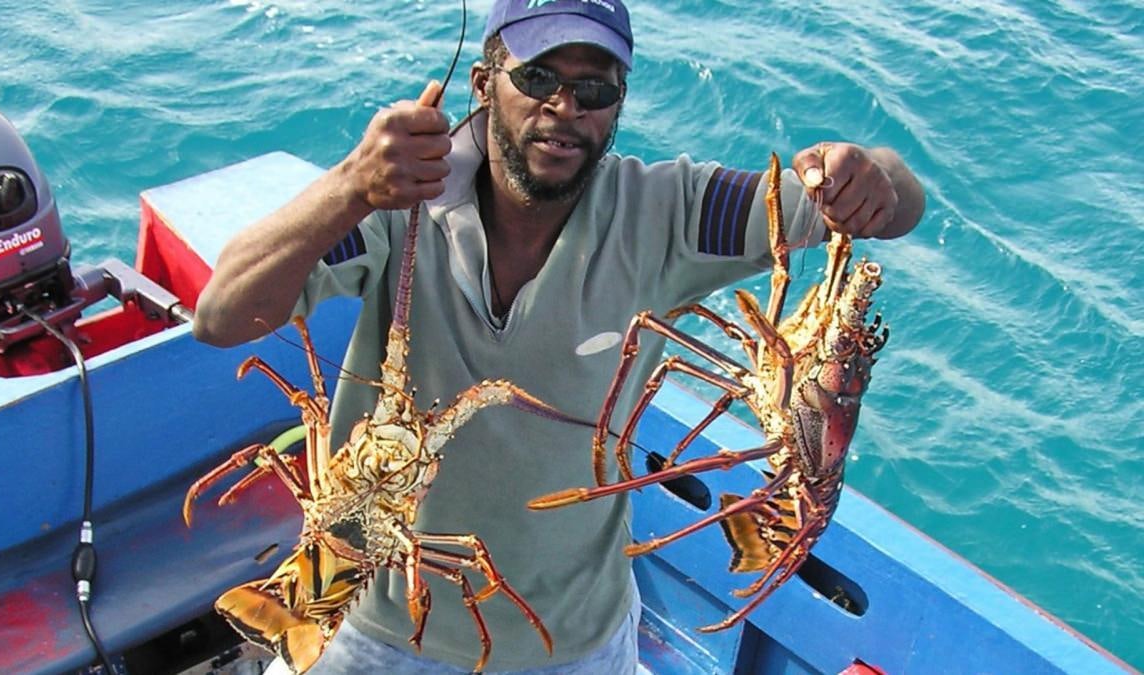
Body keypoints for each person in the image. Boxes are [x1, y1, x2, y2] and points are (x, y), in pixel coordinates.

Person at [193, 0, 925, 672]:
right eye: (538, 76)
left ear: (618, 106)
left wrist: (868, 177)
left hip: (570, 643)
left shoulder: (667, 212)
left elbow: (884, 204)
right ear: (484, 82)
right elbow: (222, 316)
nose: (564, 107)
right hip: (372, 622)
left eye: (595, 89)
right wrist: (350, 184)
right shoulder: (398, 196)